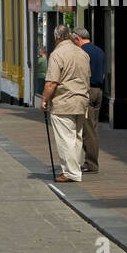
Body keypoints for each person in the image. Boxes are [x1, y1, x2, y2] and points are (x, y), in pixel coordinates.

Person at [41, 23, 90, 182]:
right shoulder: (82, 53)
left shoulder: (57, 54)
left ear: (56, 37)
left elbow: (51, 82)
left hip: (64, 101)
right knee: (77, 137)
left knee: (65, 138)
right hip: (81, 100)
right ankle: (75, 169)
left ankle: (71, 173)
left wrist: (44, 100)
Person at [73, 26, 105, 173]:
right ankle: (91, 161)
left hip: (87, 91)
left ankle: (91, 163)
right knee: (93, 127)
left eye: (74, 40)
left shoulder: (82, 52)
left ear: (78, 38)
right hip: (99, 91)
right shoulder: (99, 51)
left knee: (88, 130)